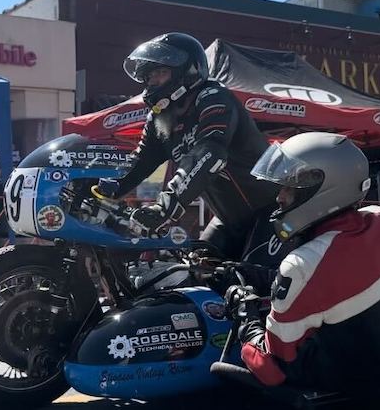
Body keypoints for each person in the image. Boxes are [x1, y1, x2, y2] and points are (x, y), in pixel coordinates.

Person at [224, 132, 380, 395]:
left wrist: (245, 315)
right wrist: (259, 276)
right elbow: (338, 278)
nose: (280, 197)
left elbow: (271, 368)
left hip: (354, 378)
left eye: (290, 188)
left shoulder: (301, 265)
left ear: (323, 189)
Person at [93, 33, 283, 279]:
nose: (152, 82)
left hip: (271, 214)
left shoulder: (213, 96)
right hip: (228, 220)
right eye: (148, 76)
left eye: (159, 73)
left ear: (188, 70)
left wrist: (165, 206)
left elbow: (211, 152)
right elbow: (141, 160)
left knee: (254, 285)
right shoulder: (160, 117)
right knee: (199, 280)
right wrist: (103, 188)